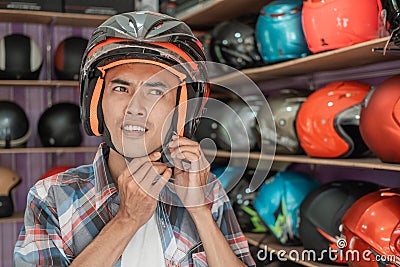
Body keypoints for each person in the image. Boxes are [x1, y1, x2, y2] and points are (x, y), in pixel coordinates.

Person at [14, 11, 256, 267]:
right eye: (121, 88)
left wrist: (199, 211)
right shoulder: (51, 196)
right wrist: (126, 220)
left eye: (155, 91)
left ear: (181, 108)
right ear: (96, 103)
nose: (135, 107)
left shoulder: (208, 192)